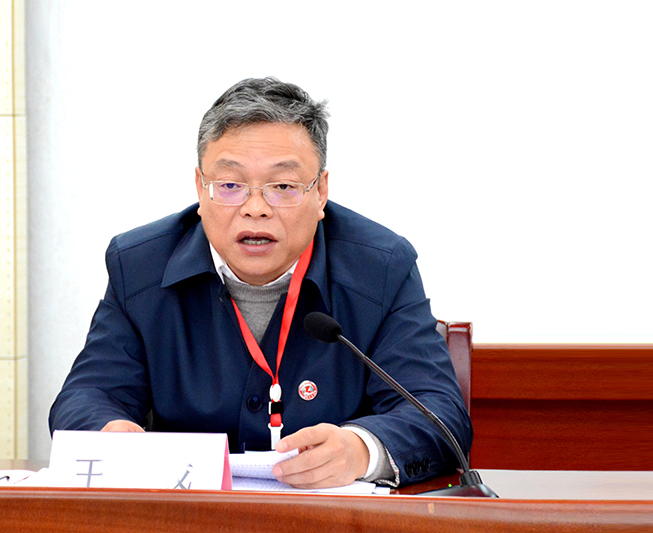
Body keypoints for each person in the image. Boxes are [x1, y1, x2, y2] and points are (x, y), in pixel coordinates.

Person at [49, 77, 472, 489]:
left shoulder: (380, 268)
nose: (255, 208)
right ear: (200, 188)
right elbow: (88, 395)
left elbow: (437, 412)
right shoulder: (140, 266)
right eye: (230, 185)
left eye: (283, 186)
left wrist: (361, 450)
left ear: (321, 192)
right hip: (190, 515)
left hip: (334, 518)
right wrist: (108, 432)